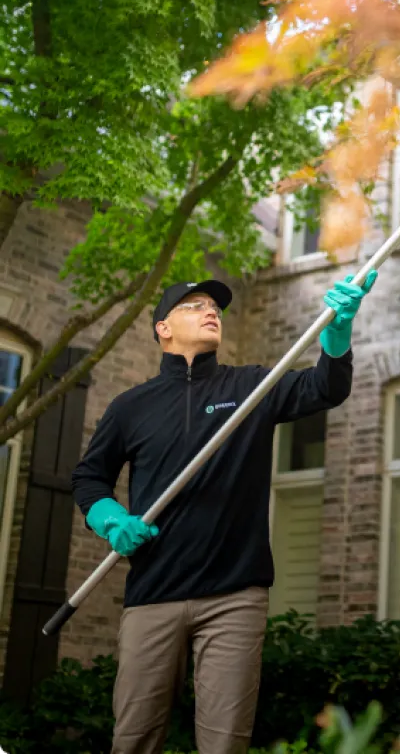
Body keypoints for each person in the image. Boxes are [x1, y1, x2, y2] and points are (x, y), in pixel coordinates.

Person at [71, 271, 377, 754]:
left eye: (214, 306)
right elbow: (89, 478)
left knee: (224, 744)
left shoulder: (253, 387)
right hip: (154, 593)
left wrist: (337, 334)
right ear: (163, 328)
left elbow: (325, 388)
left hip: (234, 596)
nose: (211, 310)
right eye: (194, 305)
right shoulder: (130, 407)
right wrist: (110, 519)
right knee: (133, 738)